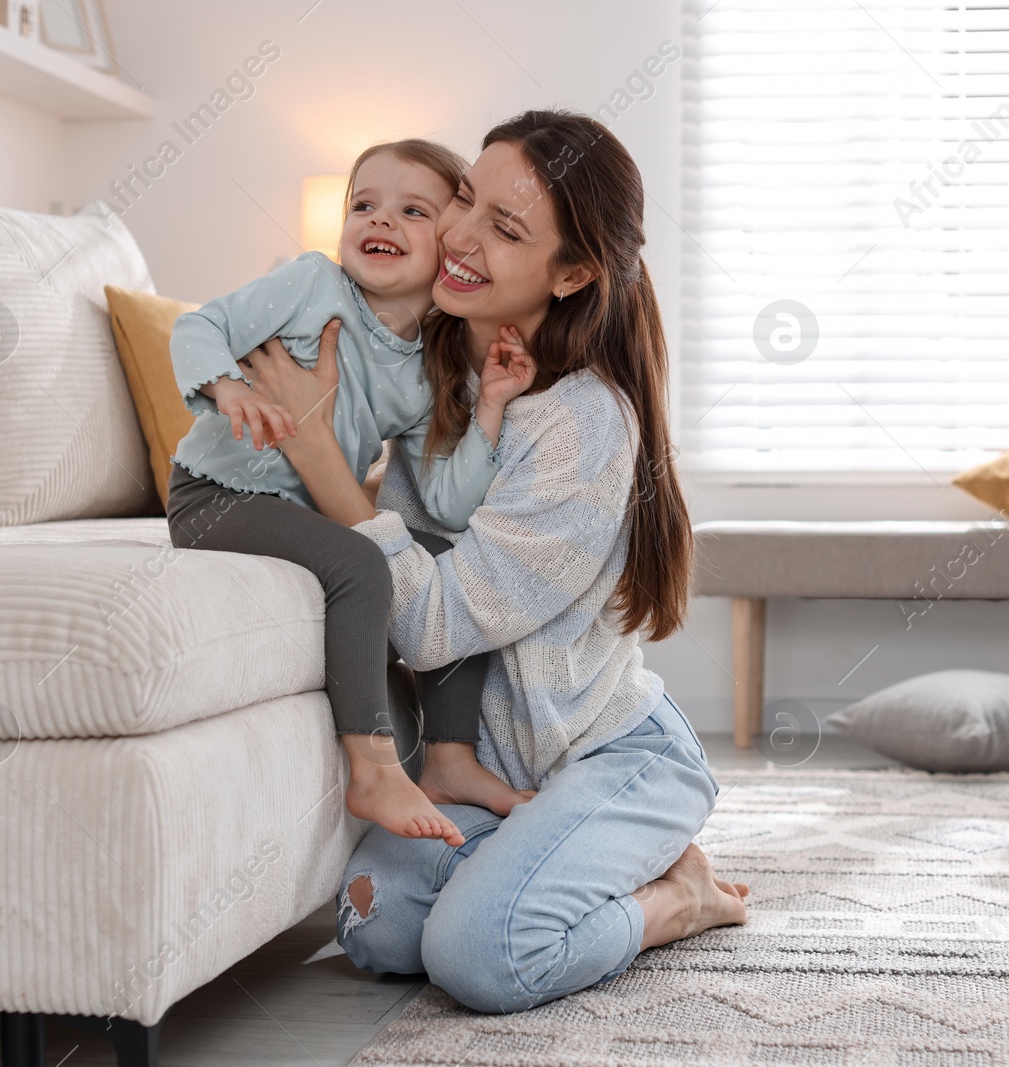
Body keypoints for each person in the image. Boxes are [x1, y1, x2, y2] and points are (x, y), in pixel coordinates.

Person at [239, 110, 749, 1015]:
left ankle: (679, 894)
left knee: (481, 958)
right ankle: (548, 861)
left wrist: (321, 458)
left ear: (573, 273)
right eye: (466, 195)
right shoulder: (432, 364)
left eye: (506, 229)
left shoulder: (583, 424)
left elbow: (435, 623)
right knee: (376, 926)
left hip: (605, 750)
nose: (461, 235)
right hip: (480, 767)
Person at [166, 139, 537, 850]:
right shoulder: (311, 283)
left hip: (296, 509)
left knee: (444, 564)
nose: (382, 221)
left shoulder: (430, 368)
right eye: (364, 204)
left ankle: (451, 759)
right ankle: (371, 767)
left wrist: (489, 405)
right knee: (363, 565)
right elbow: (199, 325)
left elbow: (449, 502)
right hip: (215, 496)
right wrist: (230, 385)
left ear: (449, 245)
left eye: (411, 211)